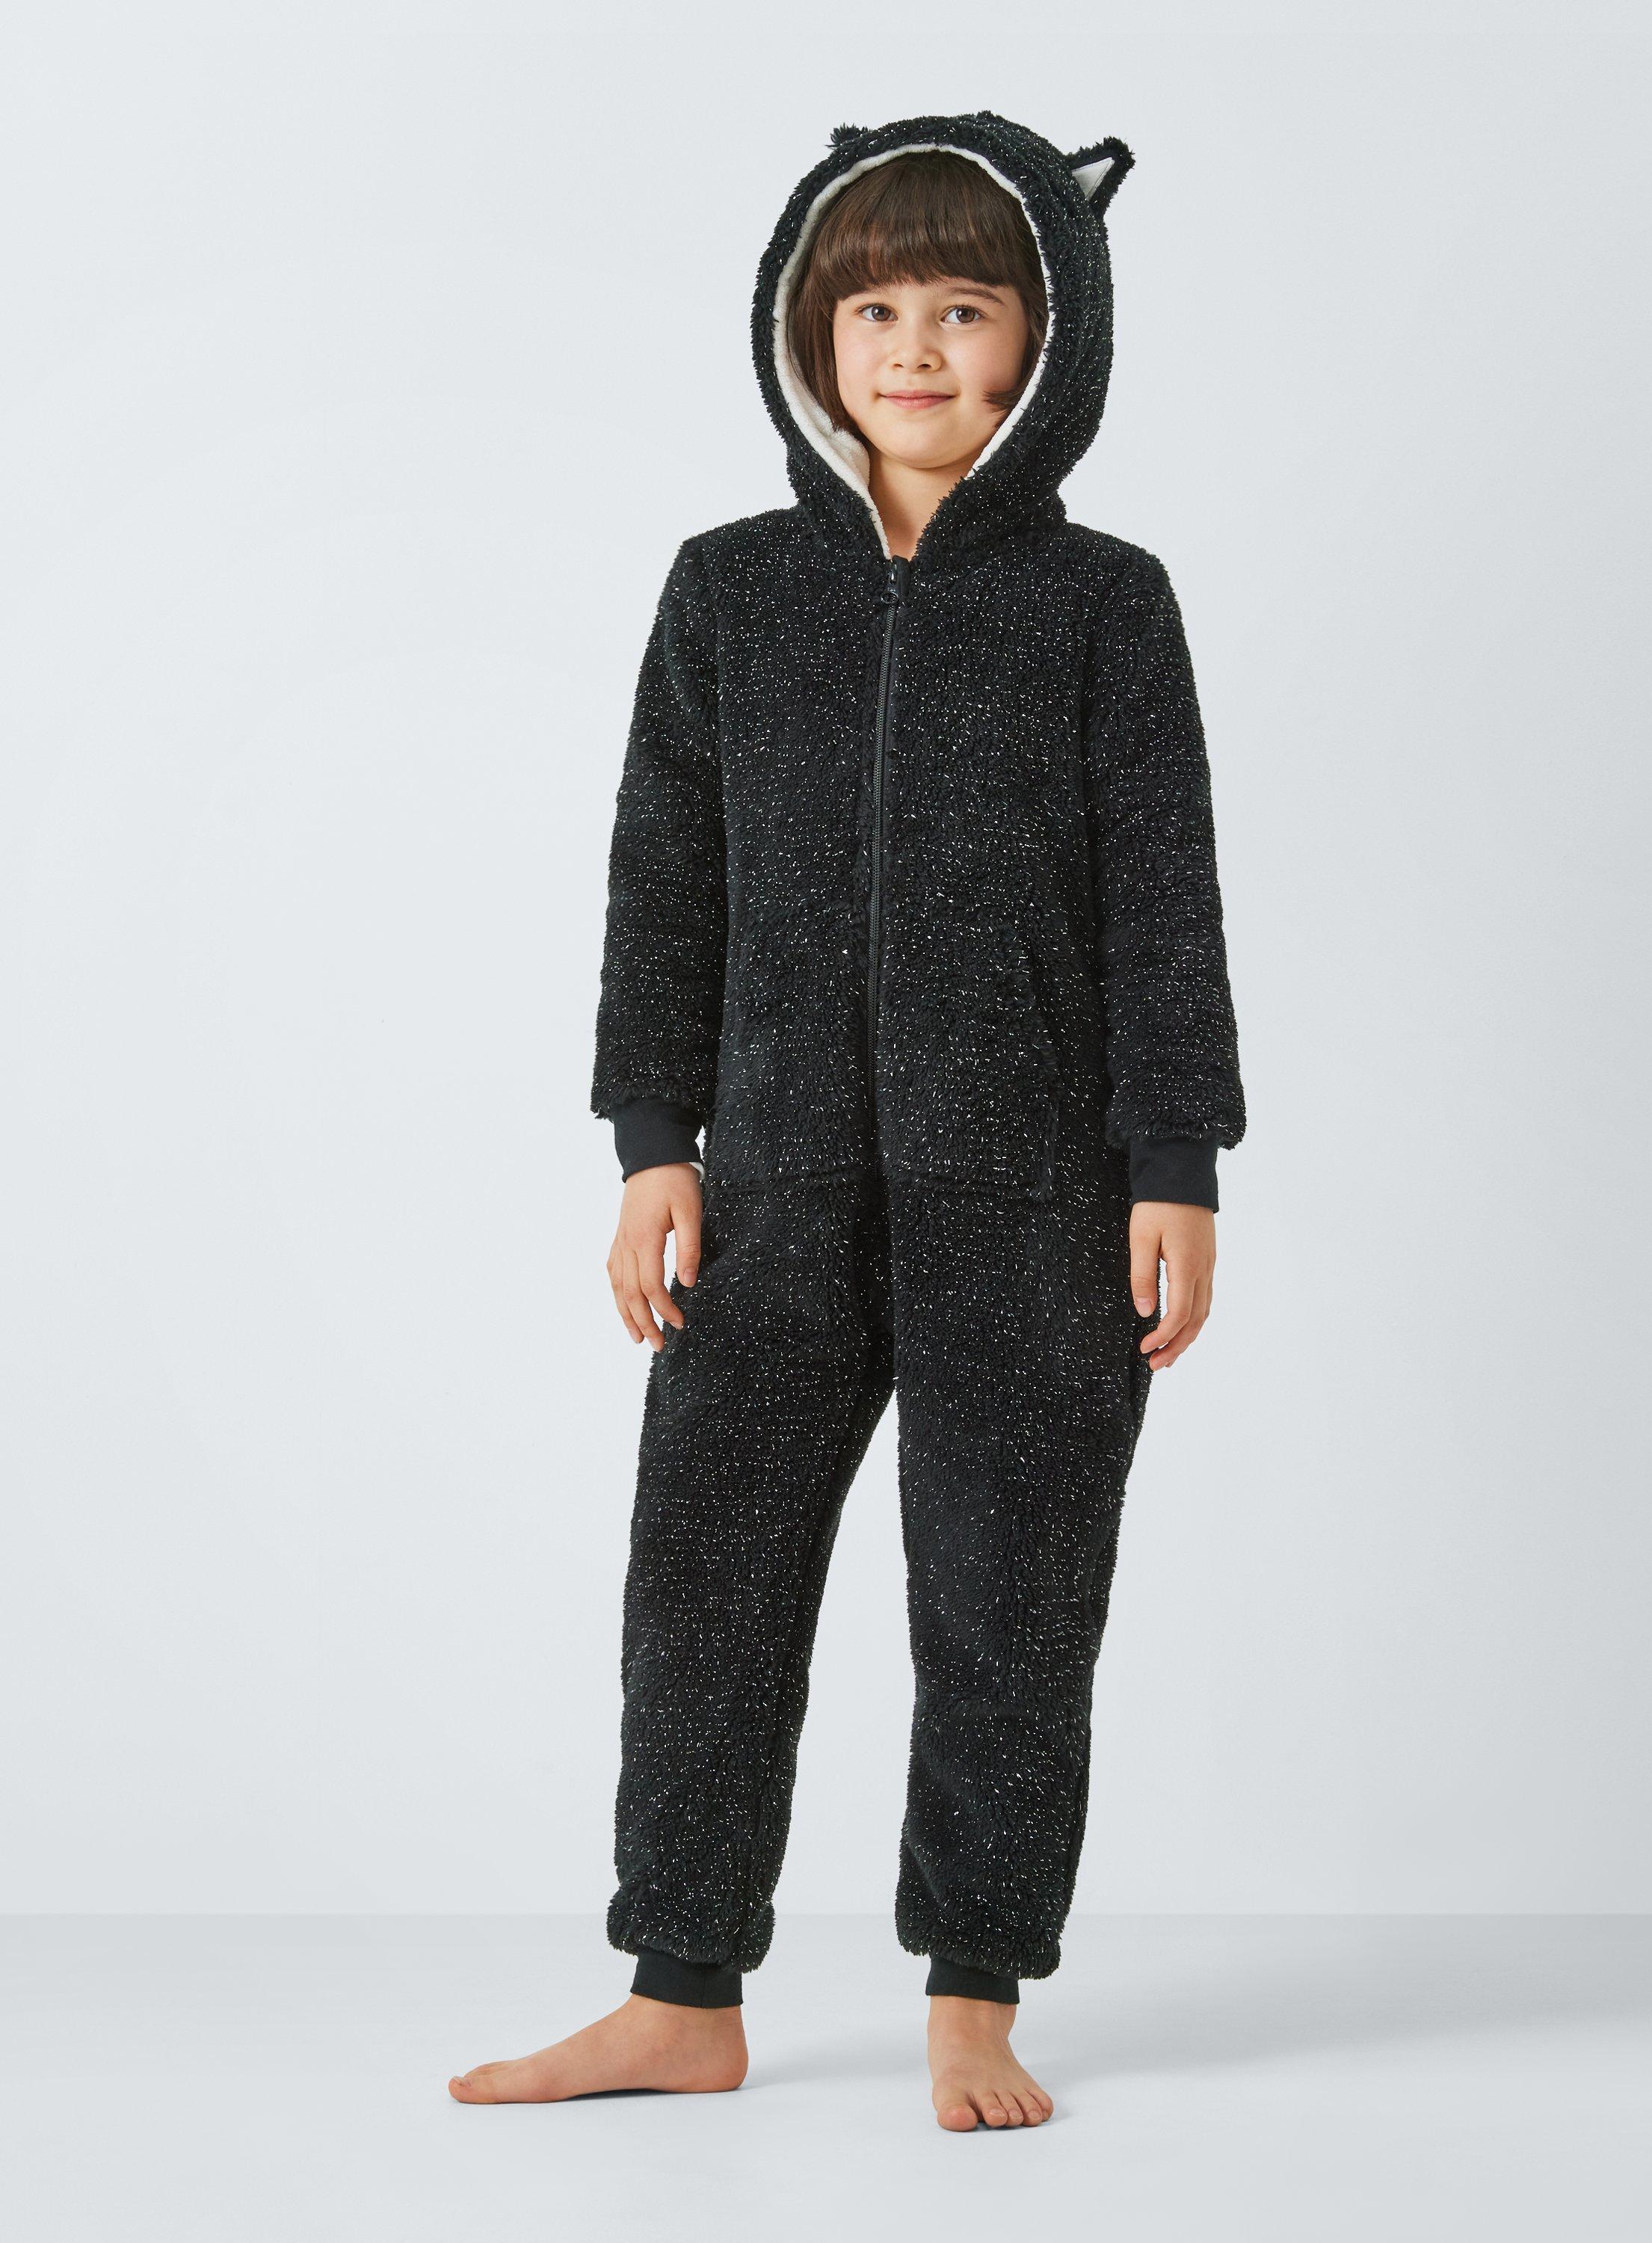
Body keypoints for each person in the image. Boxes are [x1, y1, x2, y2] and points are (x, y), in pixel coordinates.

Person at [449, 107, 1246, 2132]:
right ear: (808, 334)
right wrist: (653, 1137)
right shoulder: (730, 593)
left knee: (1008, 1604)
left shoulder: (1106, 604)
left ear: (1046, 340)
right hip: (772, 1190)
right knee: (701, 1587)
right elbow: (665, 880)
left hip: (1039, 1198)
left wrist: (1174, 1165)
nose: (912, 349)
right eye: (873, 309)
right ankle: (679, 1992)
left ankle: (975, 1994)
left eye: (962, 308)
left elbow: (1163, 896)